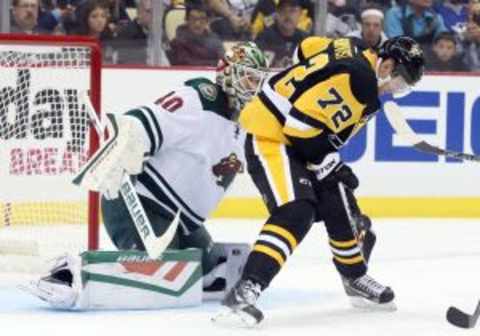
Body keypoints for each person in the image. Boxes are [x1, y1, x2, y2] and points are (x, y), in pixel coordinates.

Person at [24, 42, 270, 309]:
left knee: (213, 273)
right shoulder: (200, 98)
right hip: (140, 204)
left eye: (259, 81)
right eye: (248, 78)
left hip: (182, 222)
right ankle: (69, 276)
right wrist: (128, 143)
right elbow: (144, 119)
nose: (254, 88)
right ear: (228, 74)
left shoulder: (247, 123)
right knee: (161, 278)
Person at [218, 35, 425, 325]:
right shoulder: (361, 82)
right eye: (400, 82)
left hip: (295, 134)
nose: (397, 89)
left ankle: (354, 278)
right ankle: (244, 291)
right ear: (386, 65)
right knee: (296, 212)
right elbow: (299, 127)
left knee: (338, 200)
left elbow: (305, 48)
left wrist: (304, 85)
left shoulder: (352, 45)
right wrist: (328, 161)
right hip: (270, 135)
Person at [254, 0, 310, 68]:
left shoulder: (306, 40)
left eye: (292, 11)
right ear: (277, 14)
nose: (288, 15)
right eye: (283, 10)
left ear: (300, 14)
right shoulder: (263, 38)